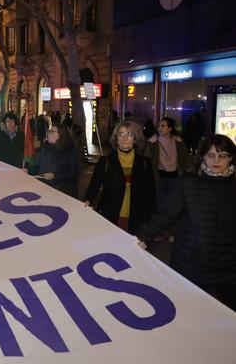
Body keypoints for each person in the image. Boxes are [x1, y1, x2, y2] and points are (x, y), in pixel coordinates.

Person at [136, 134, 236, 311]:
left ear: (231, 158)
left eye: (222, 156)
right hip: (190, 263)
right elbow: (166, 216)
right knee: (187, 313)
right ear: (202, 156)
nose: (216, 161)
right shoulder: (188, 183)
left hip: (228, 267)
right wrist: (141, 236)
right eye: (211, 155)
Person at [83, 121, 155, 235]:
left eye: (129, 135)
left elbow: (150, 194)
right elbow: (94, 185)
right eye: (121, 134)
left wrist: (151, 223)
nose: (124, 138)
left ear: (135, 139)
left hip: (137, 218)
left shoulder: (145, 163)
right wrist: (87, 200)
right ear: (116, 139)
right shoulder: (105, 161)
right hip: (110, 216)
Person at [144, 117, 192, 215]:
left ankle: (171, 224)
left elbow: (184, 159)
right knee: (160, 200)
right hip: (159, 176)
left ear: (170, 128)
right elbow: (147, 160)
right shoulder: (153, 142)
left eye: (163, 126)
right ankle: (161, 223)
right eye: (159, 126)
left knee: (173, 201)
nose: (159, 128)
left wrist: (188, 172)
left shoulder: (178, 142)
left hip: (175, 176)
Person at [30, 123, 79, 198]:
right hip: (44, 189)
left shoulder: (70, 150)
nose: (48, 133)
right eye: (49, 131)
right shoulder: (45, 147)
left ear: (61, 134)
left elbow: (73, 173)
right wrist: (28, 170)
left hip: (62, 192)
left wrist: (55, 175)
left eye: (52, 131)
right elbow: (38, 166)